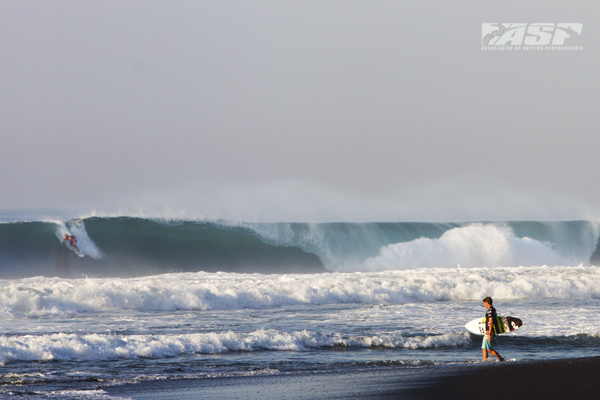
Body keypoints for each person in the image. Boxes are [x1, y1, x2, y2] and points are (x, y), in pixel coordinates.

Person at [482, 296, 505, 362]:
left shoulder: (490, 311)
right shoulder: (492, 310)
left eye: (484, 303)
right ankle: (485, 361)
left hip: (489, 332)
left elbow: (491, 322)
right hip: (488, 331)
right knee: (484, 348)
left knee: (489, 349)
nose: (484, 305)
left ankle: (501, 359)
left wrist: (489, 334)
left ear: (487, 302)